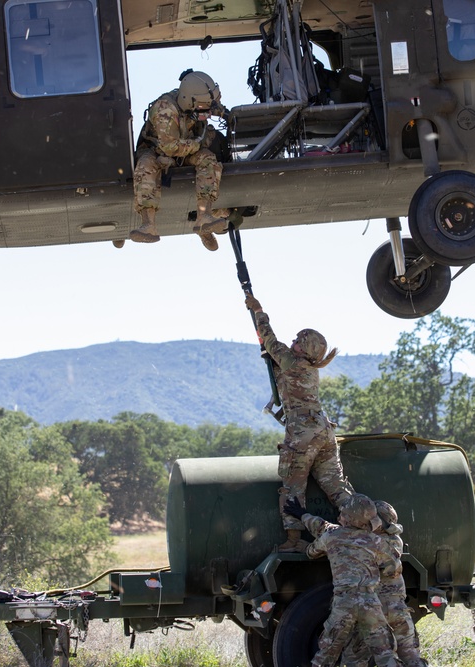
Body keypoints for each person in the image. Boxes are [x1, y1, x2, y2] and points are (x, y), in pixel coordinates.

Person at [245, 294, 354, 552]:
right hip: (323, 430)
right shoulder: (308, 368)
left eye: (297, 340)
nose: (292, 341)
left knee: (292, 486)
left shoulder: (291, 361)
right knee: (336, 486)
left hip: (302, 432)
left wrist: (258, 310)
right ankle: (365, 524)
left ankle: (294, 540)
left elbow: (268, 339)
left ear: (303, 348)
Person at [285, 495, 401, 667]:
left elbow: (313, 548)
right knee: (385, 654)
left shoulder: (331, 536)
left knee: (327, 652)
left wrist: (302, 515)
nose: (340, 516)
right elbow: (394, 567)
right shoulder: (375, 540)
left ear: (349, 519)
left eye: (343, 514)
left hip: (344, 603)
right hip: (370, 603)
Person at [130, 70, 229, 251]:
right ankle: (148, 225)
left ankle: (204, 218)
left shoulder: (197, 100)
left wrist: (225, 114)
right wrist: (198, 144)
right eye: (202, 109)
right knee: (145, 167)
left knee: (208, 160)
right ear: (189, 101)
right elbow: (170, 147)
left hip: (186, 147)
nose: (206, 112)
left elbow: (211, 106)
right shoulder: (165, 110)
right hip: (158, 151)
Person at [342, 501, 428, 667]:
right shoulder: (395, 539)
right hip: (397, 609)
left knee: (355, 659)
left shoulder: (368, 542)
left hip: (374, 611)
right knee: (411, 657)